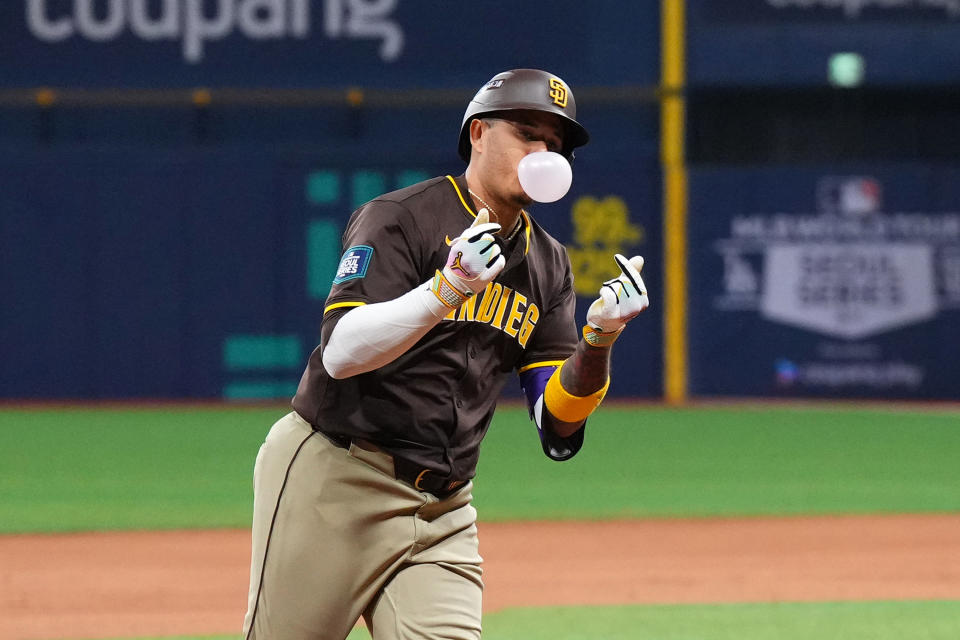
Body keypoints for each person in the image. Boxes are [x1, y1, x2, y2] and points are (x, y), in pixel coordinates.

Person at [242, 68, 650, 640]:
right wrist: (444, 291)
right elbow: (340, 352)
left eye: (556, 144)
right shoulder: (403, 217)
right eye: (528, 133)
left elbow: (555, 422)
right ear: (478, 132)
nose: (544, 152)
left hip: (443, 507)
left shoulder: (548, 263)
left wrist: (598, 340)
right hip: (337, 478)